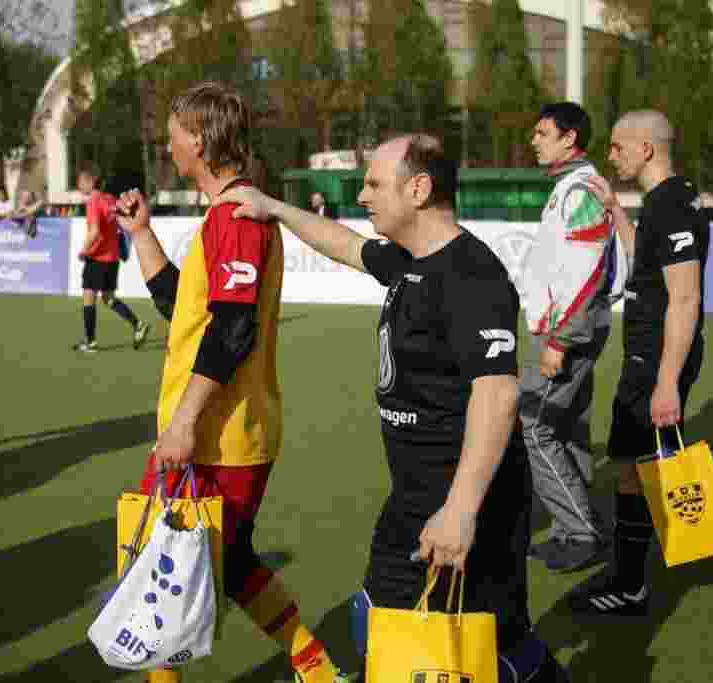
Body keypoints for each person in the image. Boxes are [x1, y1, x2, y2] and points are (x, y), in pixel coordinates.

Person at [217, 133, 569, 682]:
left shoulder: (471, 275)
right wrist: (275, 208)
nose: (362, 196)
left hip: (469, 498)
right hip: (412, 494)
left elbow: (497, 393)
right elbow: (346, 246)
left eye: (375, 184)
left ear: (419, 189)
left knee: (489, 646)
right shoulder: (410, 260)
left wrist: (460, 510)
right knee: (380, 624)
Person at [116, 82, 350, 683]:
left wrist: (184, 422)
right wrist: (141, 234)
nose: (168, 145)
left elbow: (233, 328)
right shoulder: (229, 212)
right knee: (230, 562)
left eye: (173, 135)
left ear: (198, 139)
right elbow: (188, 314)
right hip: (226, 432)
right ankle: (316, 668)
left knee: (160, 566)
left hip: (219, 437)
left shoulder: (236, 215)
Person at [569, 109, 713, 615]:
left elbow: (685, 299)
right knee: (635, 467)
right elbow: (644, 261)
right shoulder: (665, 199)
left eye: (618, 146)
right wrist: (615, 212)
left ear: (645, 148)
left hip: (658, 357)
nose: (611, 155)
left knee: (663, 467)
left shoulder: (671, 205)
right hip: (647, 354)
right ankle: (629, 584)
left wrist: (666, 381)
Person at [520, 102, 627, 572]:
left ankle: (580, 531)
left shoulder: (580, 188)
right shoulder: (574, 186)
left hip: (568, 330)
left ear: (569, 139)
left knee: (533, 425)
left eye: (542, 133)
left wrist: (560, 340)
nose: (533, 141)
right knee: (566, 428)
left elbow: (587, 273)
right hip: (573, 326)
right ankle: (575, 530)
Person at [72, 164, 149, 353]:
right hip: (112, 258)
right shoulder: (110, 200)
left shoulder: (94, 201)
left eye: (80, 181)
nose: (79, 185)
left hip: (97, 257)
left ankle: (90, 342)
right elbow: (121, 226)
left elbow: (95, 231)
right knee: (108, 298)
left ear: (90, 181)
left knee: (89, 298)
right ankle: (138, 324)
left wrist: (84, 250)